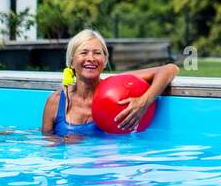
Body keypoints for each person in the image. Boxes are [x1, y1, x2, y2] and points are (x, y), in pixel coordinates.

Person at [40, 28, 179, 136]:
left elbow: (170, 69)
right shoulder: (56, 101)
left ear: (105, 60)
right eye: (83, 53)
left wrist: (144, 102)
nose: (91, 58)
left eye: (97, 53)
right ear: (71, 61)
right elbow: (47, 144)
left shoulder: (116, 87)